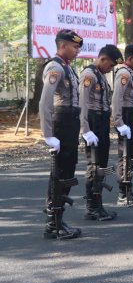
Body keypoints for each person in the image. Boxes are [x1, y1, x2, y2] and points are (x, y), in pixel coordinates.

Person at [40, 29, 84, 239]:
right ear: (63, 45)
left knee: (67, 171)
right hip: (62, 123)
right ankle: (53, 222)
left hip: (70, 123)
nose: (77, 51)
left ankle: (58, 218)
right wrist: (48, 134)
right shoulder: (55, 67)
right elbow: (44, 102)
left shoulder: (68, 68)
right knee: (59, 172)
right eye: (75, 47)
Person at [80, 44, 124, 221]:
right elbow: (82, 104)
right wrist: (85, 130)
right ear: (103, 59)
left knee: (102, 165)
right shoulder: (89, 75)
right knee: (94, 165)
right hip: (92, 121)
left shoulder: (100, 75)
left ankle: (98, 204)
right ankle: (92, 206)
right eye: (111, 65)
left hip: (102, 122)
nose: (110, 69)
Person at [113, 44, 133, 207]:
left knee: (132, 155)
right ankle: (123, 194)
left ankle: (129, 190)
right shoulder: (123, 73)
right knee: (125, 156)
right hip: (126, 115)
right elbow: (117, 99)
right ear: (130, 59)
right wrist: (119, 122)